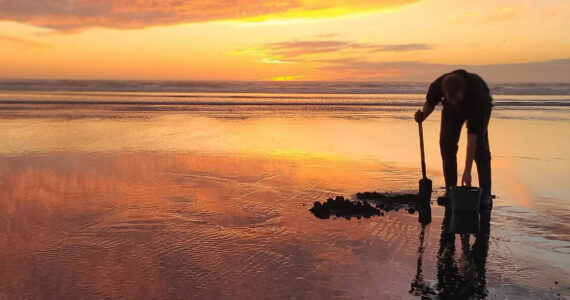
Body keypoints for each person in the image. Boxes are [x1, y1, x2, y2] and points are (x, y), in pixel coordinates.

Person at [414, 70, 493, 207]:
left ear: (462, 93)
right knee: (446, 145)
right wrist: (423, 115)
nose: (453, 102)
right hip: (451, 113)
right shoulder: (437, 86)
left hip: (480, 106)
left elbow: (472, 138)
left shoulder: (476, 96)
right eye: (449, 99)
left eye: (455, 99)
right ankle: (450, 190)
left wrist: (467, 171)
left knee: (481, 150)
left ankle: (486, 194)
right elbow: (430, 103)